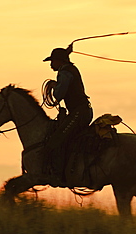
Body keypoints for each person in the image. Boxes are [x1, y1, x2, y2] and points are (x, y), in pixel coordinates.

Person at [43, 47, 93, 185]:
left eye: (52, 61)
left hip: (79, 113)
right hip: (82, 111)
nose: (51, 64)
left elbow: (58, 95)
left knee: (58, 138)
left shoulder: (64, 73)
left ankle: (59, 174)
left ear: (59, 61)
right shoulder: (69, 70)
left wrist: (54, 85)